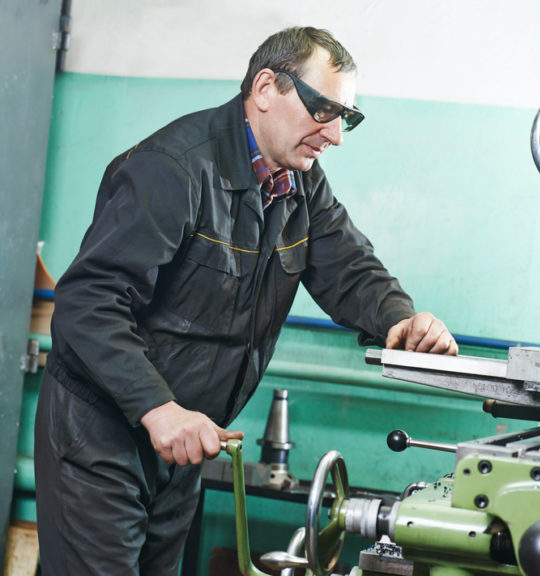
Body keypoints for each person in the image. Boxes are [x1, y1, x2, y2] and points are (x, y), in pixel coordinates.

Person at [34, 26, 457, 575]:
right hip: (102, 434)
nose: (335, 136)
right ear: (265, 88)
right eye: (323, 110)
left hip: (182, 444)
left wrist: (403, 321)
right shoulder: (174, 168)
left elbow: (349, 270)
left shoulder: (298, 182)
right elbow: (88, 303)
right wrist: (157, 409)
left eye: (346, 117)